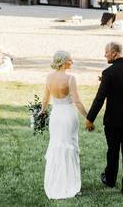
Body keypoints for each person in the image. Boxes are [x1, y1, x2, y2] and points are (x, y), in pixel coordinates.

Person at [85, 42, 123, 196]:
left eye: (106, 52)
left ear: (114, 53)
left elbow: (100, 98)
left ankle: (110, 180)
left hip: (113, 120)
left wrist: (90, 118)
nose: (104, 55)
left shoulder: (108, 73)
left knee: (112, 151)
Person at [40, 51, 88, 199]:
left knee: (56, 146)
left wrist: (41, 112)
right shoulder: (70, 79)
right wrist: (88, 118)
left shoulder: (49, 78)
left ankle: (55, 182)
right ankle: (71, 185)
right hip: (68, 115)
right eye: (70, 60)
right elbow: (77, 102)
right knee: (70, 147)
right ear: (63, 62)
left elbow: (45, 100)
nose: (72, 62)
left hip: (56, 116)